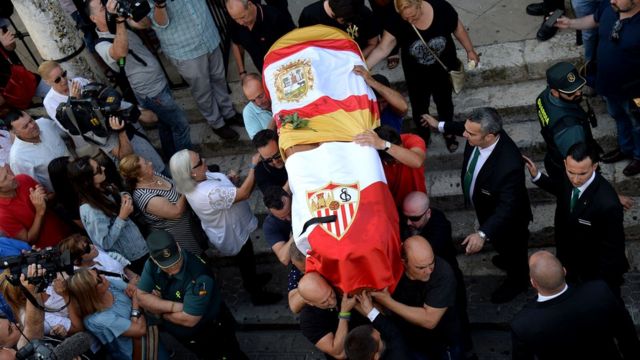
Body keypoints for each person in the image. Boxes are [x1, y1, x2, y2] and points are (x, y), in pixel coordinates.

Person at [424, 107, 532, 303]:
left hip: (509, 221)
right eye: (466, 130)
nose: (465, 135)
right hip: (486, 207)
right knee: (502, 247)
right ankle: (506, 258)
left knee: (513, 250)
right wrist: (439, 125)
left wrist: (482, 234)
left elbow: (507, 207)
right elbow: (464, 128)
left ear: (490, 137)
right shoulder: (479, 132)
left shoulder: (509, 164)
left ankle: (518, 281)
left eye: (470, 134)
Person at [169, 150, 281, 305]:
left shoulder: (198, 180)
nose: (204, 159)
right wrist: (253, 167)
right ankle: (255, 293)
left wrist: (229, 183)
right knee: (245, 258)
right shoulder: (207, 193)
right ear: (191, 173)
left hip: (232, 225)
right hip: (231, 232)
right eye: (199, 162)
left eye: (200, 157)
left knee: (247, 257)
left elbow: (221, 192)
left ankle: (253, 279)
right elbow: (243, 193)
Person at [366, 0, 479, 150]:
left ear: (419, 4)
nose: (410, 21)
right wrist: (364, 67)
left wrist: (470, 50)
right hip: (416, 75)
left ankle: (447, 131)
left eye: (413, 16)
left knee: (445, 104)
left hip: (443, 71)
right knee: (419, 108)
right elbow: (383, 48)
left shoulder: (441, 8)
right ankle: (423, 136)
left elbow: (457, 28)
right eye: (406, 18)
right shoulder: (396, 17)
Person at [87, 0, 192, 158]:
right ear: (93, 18)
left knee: (165, 124)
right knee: (181, 125)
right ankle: (188, 166)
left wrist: (128, 12)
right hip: (151, 91)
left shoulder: (120, 21)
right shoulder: (100, 44)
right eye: (102, 9)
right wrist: (120, 21)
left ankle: (171, 157)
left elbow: (146, 24)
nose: (107, 10)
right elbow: (120, 52)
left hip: (159, 82)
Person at [523, 142, 629, 297]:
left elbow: (612, 249)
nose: (576, 179)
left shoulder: (608, 204)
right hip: (567, 253)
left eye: (582, 174)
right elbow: (560, 189)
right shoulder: (569, 174)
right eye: (571, 172)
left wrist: (602, 285)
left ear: (594, 167)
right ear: (565, 163)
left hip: (590, 265)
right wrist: (537, 176)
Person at [555, 0, 640, 176]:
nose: (612, 0)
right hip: (607, 84)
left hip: (633, 92)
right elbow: (595, 20)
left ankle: (639, 157)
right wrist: (570, 23)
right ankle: (625, 148)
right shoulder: (610, 6)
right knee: (618, 116)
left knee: (637, 124)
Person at [38, 61, 167, 175]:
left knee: (144, 140)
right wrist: (75, 101)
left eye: (64, 74)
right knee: (126, 160)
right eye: (57, 79)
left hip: (112, 117)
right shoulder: (50, 101)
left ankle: (160, 167)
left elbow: (102, 95)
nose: (64, 80)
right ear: (47, 82)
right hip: (98, 132)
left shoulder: (79, 81)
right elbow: (68, 126)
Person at [136, 230, 247, 359]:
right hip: (187, 336)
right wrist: (176, 307)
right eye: (167, 266)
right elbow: (142, 296)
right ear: (154, 259)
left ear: (178, 246)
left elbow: (190, 319)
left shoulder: (198, 275)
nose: (173, 268)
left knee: (230, 355)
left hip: (211, 331)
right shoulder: (151, 265)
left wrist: (159, 312)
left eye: (175, 261)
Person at [510, 251, 640, 360]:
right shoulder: (599, 291)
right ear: (564, 271)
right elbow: (627, 334)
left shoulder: (523, 324)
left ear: (533, 283)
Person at [142, 0, 240, 140]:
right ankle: (217, 123)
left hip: (209, 35)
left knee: (219, 78)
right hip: (185, 50)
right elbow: (160, 23)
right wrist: (160, 4)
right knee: (202, 90)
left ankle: (229, 113)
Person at [401, 191, 474, 357]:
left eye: (414, 218)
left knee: (457, 322)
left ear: (428, 213)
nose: (408, 222)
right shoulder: (411, 221)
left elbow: (423, 256)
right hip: (425, 286)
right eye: (406, 217)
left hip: (447, 281)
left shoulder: (440, 225)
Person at [371, 235, 463, 360]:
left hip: (442, 341)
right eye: (421, 268)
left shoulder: (443, 273)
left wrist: (387, 301)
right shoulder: (393, 271)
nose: (429, 271)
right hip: (408, 340)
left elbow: (430, 320)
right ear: (404, 262)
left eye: (431, 263)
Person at [68, 156, 149, 274]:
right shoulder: (90, 210)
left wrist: (124, 197)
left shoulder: (103, 187)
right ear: (88, 180)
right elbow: (105, 243)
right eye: (98, 170)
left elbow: (117, 197)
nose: (103, 168)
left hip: (139, 244)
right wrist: (122, 217)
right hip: (131, 258)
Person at [119, 154, 205, 257]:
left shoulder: (152, 175)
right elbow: (176, 212)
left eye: (146, 160)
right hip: (180, 236)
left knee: (202, 247)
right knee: (195, 258)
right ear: (139, 176)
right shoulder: (146, 197)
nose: (150, 163)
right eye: (145, 164)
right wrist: (186, 185)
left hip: (190, 224)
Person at [67, 268, 158, 360]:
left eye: (98, 273)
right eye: (98, 280)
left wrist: (135, 313)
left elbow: (136, 290)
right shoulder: (97, 319)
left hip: (152, 329)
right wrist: (136, 302)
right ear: (90, 293)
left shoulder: (108, 285)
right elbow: (140, 330)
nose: (103, 277)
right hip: (142, 350)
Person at [535, 61, 600, 181]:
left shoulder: (542, 97)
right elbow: (580, 163)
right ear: (555, 92)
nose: (579, 93)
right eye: (570, 92)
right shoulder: (571, 128)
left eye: (578, 87)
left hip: (553, 156)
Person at [354, 125, 426, 207]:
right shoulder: (373, 157)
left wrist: (383, 144)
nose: (397, 160)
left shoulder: (412, 139)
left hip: (417, 205)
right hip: (392, 207)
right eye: (391, 160)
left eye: (399, 149)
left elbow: (417, 161)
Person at [0, 164, 69, 248]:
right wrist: (39, 212)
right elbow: (28, 240)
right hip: (53, 248)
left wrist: (45, 199)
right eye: (5, 178)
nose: (12, 177)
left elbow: (51, 199)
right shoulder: (2, 214)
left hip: (66, 230)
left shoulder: (23, 178)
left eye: (7, 171)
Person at [297, 271, 361, 359]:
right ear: (310, 303)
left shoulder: (337, 287)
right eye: (324, 302)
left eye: (330, 293)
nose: (332, 301)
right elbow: (338, 352)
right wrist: (344, 313)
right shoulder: (308, 321)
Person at [226, 0, 295, 77]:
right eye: (235, 19)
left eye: (243, 17)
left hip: (289, 67)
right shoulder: (235, 23)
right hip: (266, 74)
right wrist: (242, 72)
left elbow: (294, 41)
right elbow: (236, 43)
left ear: (249, 4)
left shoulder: (275, 17)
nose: (240, 22)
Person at [6, 110, 70, 192]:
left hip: (80, 174)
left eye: (31, 120)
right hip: (61, 191)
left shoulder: (45, 123)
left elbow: (68, 135)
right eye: (25, 126)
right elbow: (34, 188)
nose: (32, 125)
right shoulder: (18, 158)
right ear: (15, 132)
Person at [299, 0, 381, 57]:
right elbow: (305, 47)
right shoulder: (309, 15)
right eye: (346, 22)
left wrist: (356, 61)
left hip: (355, 55)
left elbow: (372, 43)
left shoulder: (363, 12)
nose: (349, 24)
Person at [345, 291, 411, 360]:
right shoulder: (399, 355)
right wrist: (370, 311)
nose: (380, 333)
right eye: (380, 340)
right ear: (376, 357)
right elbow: (393, 333)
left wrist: (370, 311)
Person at [353, 66, 408, 133]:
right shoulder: (362, 108)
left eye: (383, 102)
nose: (380, 107)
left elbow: (404, 107)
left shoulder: (392, 108)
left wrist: (372, 81)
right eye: (376, 102)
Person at [262, 186, 293, 266]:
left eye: (289, 212)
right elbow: (284, 259)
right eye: (282, 217)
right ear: (270, 211)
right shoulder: (269, 225)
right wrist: (297, 232)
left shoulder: (298, 199)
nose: (289, 218)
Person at [241, 73, 276, 139]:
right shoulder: (248, 112)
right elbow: (263, 147)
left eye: (260, 96)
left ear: (266, 86)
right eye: (253, 101)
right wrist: (275, 117)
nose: (259, 103)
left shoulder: (278, 94)